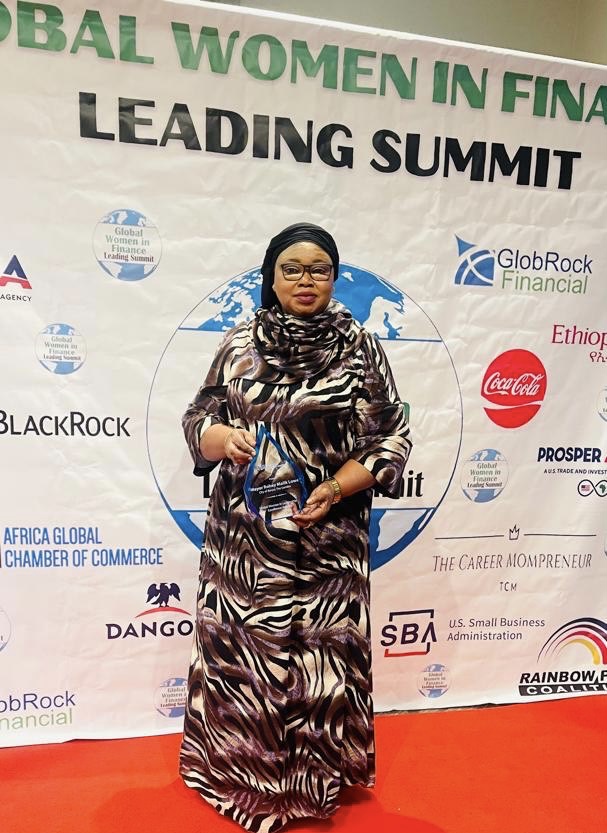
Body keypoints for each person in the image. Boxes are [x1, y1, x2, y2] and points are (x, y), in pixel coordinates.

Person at [180, 222, 412, 832]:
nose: (306, 280)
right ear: (272, 277)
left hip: (327, 542)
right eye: (292, 269)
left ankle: (312, 783)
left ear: (334, 278)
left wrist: (334, 488)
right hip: (245, 544)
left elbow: (390, 437)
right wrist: (222, 438)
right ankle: (239, 775)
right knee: (243, 663)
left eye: (319, 269)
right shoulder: (239, 342)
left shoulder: (360, 347)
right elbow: (199, 417)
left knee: (319, 662)